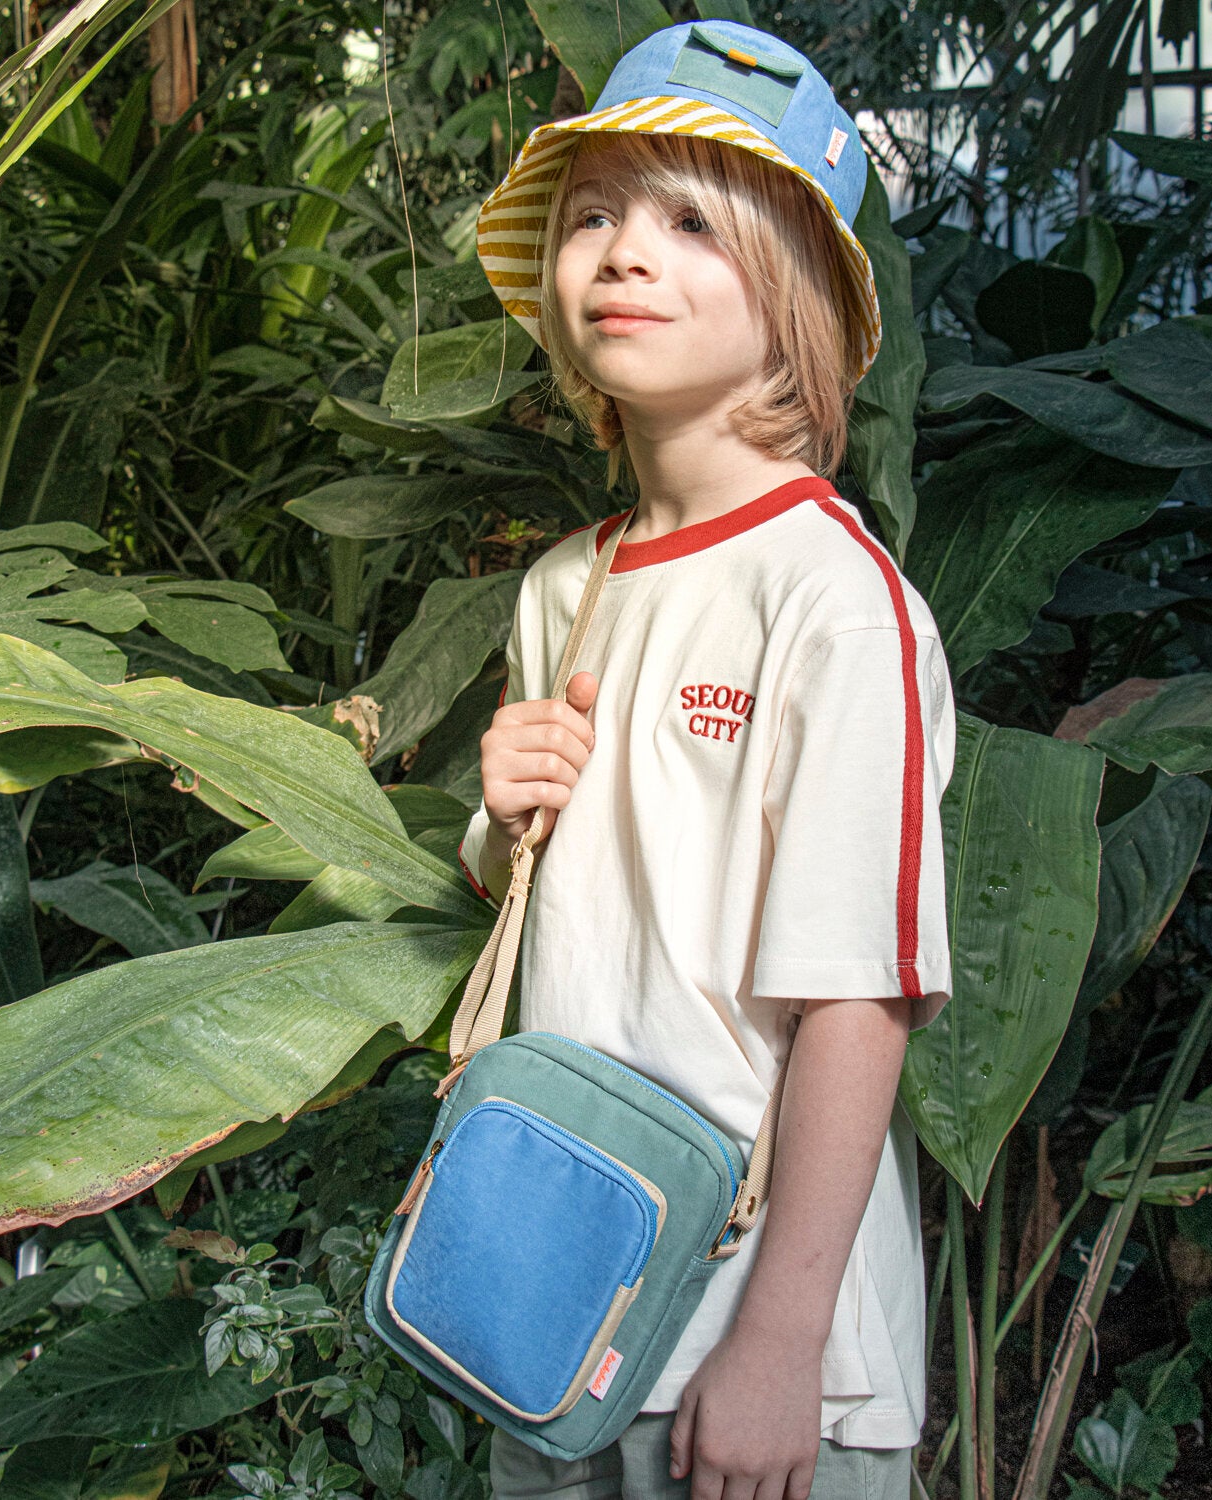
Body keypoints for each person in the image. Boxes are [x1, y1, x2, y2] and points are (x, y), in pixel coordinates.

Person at [456, 20, 955, 1500]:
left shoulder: (833, 598)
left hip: (757, 1340)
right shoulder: (565, 586)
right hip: (548, 1300)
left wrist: (781, 1345)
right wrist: (499, 821)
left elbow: (861, 995)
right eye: (594, 213)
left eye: (690, 221)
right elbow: (559, 916)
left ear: (792, 295)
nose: (623, 252)